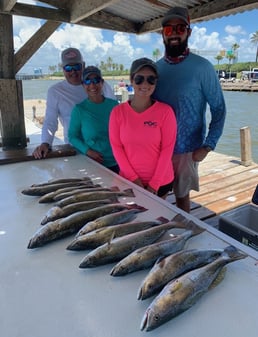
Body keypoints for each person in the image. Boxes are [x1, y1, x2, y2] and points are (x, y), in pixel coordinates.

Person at [153, 7, 226, 211]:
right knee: (155, 199)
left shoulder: (203, 68)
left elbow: (219, 108)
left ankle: (184, 238)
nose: (175, 32)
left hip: (188, 151)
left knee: (182, 200)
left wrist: (208, 145)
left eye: (180, 28)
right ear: (162, 34)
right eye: (169, 29)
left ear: (189, 32)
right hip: (158, 150)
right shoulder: (155, 69)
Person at [109, 58, 177, 199]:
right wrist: (134, 179)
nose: (145, 84)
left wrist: (154, 185)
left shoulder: (166, 112)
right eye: (139, 79)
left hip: (160, 182)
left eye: (150, 79)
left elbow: (167, 150)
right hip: (128, 180)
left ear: (156, 82)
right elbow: (116, 147)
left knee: (157, 219)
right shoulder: (117, 112)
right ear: (132, 80)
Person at [33, 47, 115, 159]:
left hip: (104, 150)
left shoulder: (101, 85)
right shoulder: (55, 91)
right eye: (68, 68)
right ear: (63, 69)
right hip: (75, 149)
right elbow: (50, 121)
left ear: (83, 65)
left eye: (77, 66)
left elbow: (116, 115)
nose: (73, 72)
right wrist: (45, 143)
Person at [68, 66, 119, 173]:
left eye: (96, 80)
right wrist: (88, 151)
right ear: (83, 85)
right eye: (87, 81)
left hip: (118, 162)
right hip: (93, 164)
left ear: (102, 83)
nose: (92, 85)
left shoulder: (114, 106)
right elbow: (73, 136)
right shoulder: (79, 110)